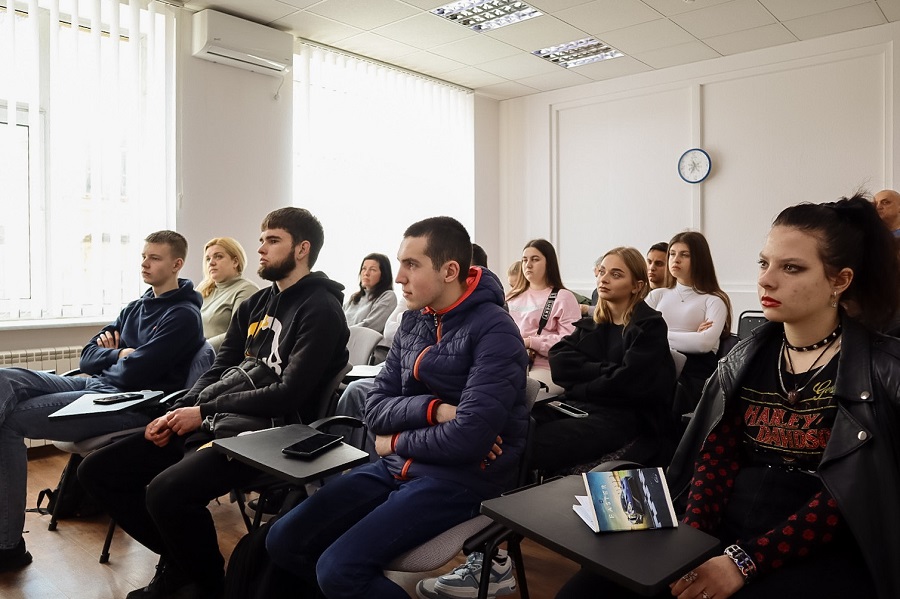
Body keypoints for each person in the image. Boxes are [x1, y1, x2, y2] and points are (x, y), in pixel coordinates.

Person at [557, 194, 900, 599]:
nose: (766, 280)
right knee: (586, 591)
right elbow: (716, 454)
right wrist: (693, 544)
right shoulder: (745, 357)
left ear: (840, 280)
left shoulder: (881, 370)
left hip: (817, 539)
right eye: (764, 263)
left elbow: (851, 499)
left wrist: (744, 561)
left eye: (791, 268)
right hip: (725, 515)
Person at [78, 208, 350, 599]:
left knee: (165, 492)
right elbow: (220, 367)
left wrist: (203, 411)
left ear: (302, 249)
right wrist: (181, 409)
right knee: (99, 471)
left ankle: (204, 584)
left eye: (273, 240)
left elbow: (291, 394)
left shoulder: (321, 309)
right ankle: (185, 566)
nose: (260, 248)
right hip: (221, 420)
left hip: (274, 434)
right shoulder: (256, 305)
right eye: (262, 238)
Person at [265, 216, 529, 599]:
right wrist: (435, 410)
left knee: (339, 569)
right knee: (283, 538)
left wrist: (392, 442)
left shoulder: (496, 331)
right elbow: (374, 408)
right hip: (394, 468)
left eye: (411, 264)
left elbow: (469, 439)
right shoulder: (412, 323)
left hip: (459, 480)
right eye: (400, 262)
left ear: (450, 271)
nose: (399, 276)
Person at [0, 231, 204, 573]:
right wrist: (120, 353)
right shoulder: (136, 307)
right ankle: (7, 546)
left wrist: (112, 356)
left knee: (11, 421)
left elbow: (136, 374)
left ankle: (7, 545)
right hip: (92, 384)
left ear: (177, 264)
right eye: (143, 256)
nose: (145, 263)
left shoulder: (183, 316)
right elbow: (88, 354)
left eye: (154, 257)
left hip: (127, 404)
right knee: (4, 376)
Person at [532, 247, 675, 473]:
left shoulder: (650, 326)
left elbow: (626, 384)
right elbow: (559, 360)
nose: (603, 279)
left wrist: (581, 383)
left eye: (616, 275)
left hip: (624, 418)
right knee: (517, 423)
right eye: (601, 272)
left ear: (637, 285)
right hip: (579, 405)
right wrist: (607, 371)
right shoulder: (596, 323)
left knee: (538, 442)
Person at [645, 231, 732, 409]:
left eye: (684, 255)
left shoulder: (714, 300)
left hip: (693, 373)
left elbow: (703, 344)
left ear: (700, 259)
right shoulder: (656, 296)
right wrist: (690, 335)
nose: (675, 260)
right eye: (672, 254)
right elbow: (636, 334)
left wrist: (656, 334)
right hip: (655, 364)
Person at [506, 239, 581, 394]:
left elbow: (570, 343)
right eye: (525, 260)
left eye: (535, 259)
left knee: (514, 391)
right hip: (509, 362)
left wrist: (531, 342)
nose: (528, 265)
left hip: (546, 367)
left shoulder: (563, 297)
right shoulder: (511, 297)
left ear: (549, 263)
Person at [196, 237, 259, 351]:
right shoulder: (203, 290)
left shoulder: (246, 289)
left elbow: (238, 333)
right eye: (208, 259)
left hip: (220, 360)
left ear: (235, 261)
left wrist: (200, 349)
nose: (211, 262)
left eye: (218, 256)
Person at [343, 252, 398, 334]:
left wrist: (340, 333)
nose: (366, 273)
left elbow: (370, 326)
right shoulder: (354, 298)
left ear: (383, 275)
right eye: (364, 269)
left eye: (372, 270)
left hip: (359, 343)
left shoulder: (387, 296)